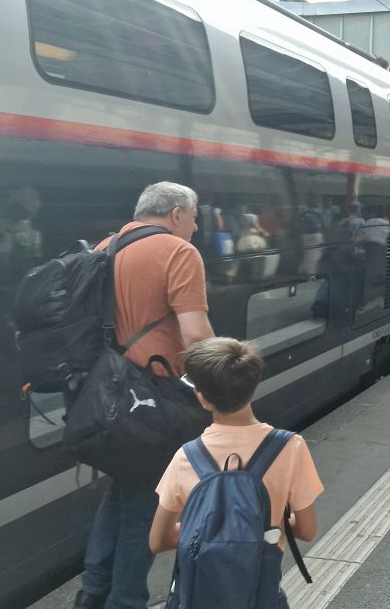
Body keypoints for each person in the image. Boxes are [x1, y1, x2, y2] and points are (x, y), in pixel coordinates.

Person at [74, 181, 214, 609]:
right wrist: (222, 384)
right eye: (194, 217)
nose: (195, 226)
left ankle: (92, 591)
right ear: (176, 214)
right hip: (153, 397)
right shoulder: (178, 251)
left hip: (108, 395)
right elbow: (195, 335)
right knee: (148, 504)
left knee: (123, 491)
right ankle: (125, 600)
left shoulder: (106, 247)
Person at [148, 337, 323, 607]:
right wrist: (258, 526)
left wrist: (213, 530)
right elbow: (307, 530)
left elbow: (158, 541)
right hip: (260, 596)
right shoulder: (291, 447)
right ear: (253, 387)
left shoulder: (186, 457)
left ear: (202, 398)